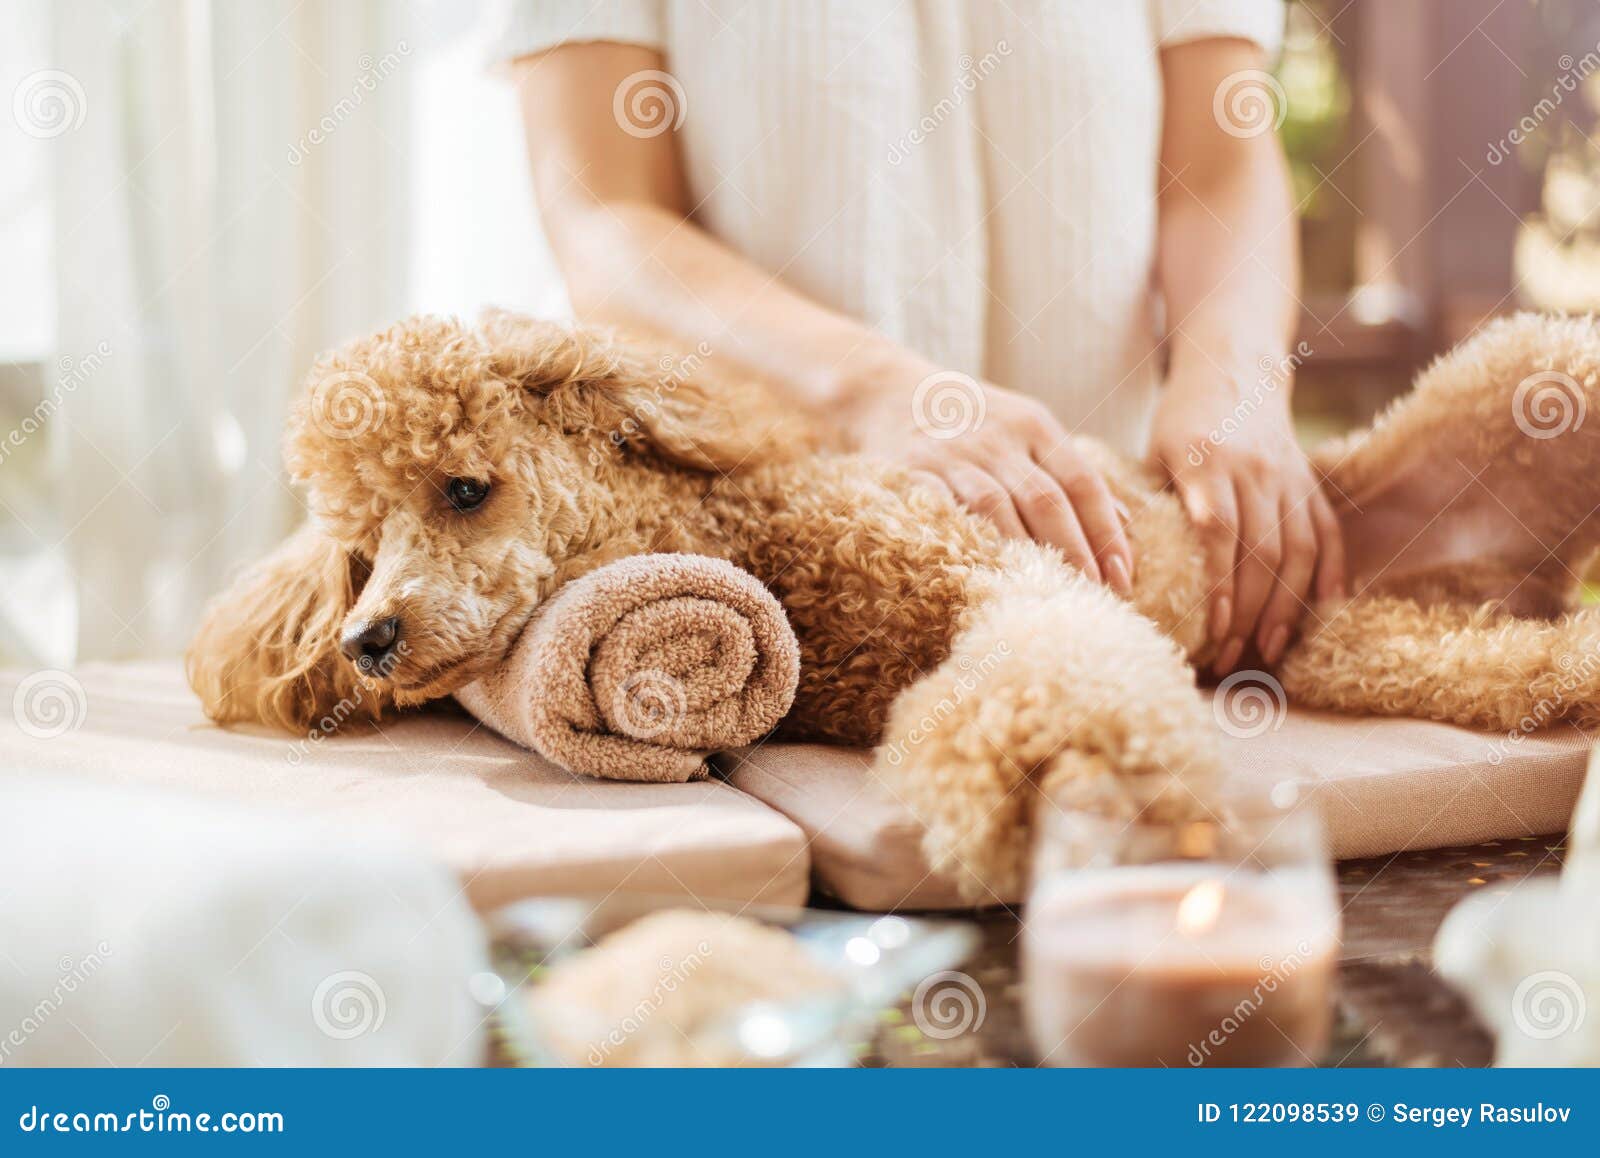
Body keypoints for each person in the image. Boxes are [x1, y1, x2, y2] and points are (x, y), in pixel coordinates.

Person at [507, 0, 1345, 674]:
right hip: (761, 591)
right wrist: (873, 391)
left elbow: (1217, 165)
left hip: (1121, 590)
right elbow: (604, 212)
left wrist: (1233, 377)